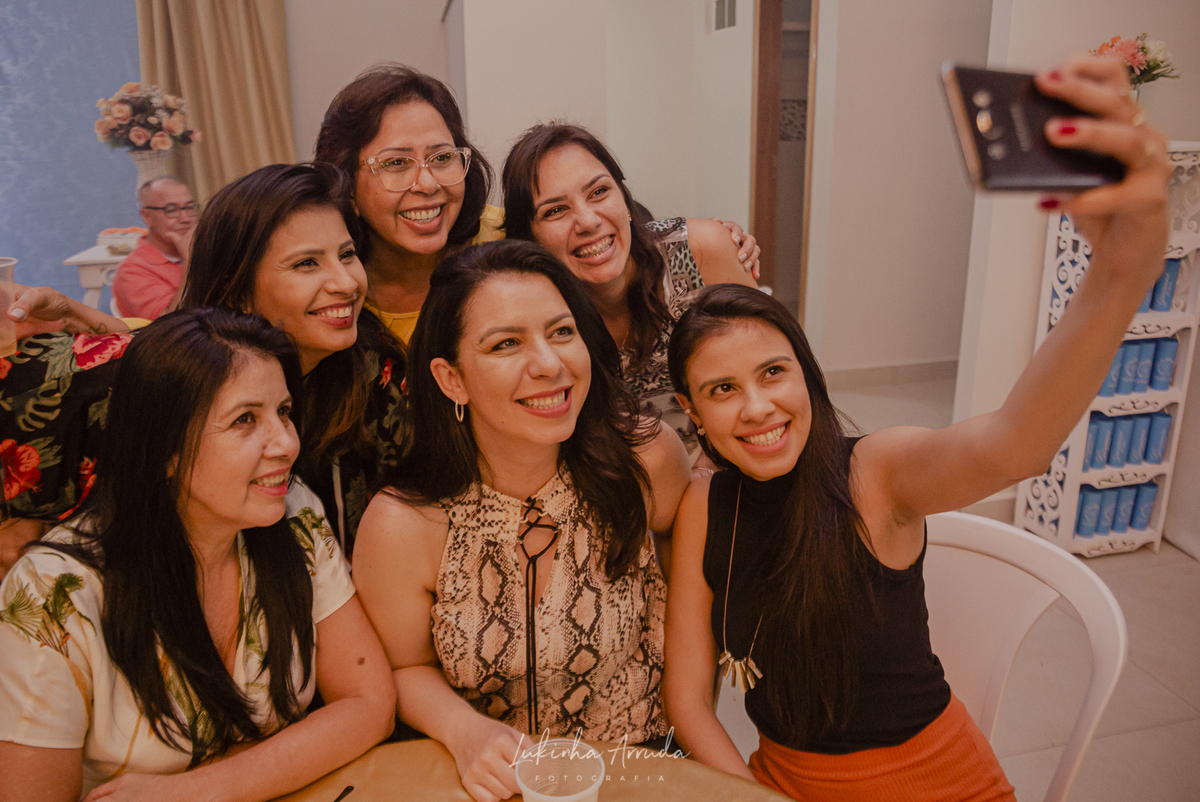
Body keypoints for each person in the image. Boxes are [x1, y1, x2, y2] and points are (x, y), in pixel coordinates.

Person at [660, 57, 1170, 802]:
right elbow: (687, 701)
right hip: (779, 785)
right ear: (693, 411)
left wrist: (1120, 273)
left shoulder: (877, 472)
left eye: (774, 372)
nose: (758, 407)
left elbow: (1016, 446)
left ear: (806, 373)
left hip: (932, 782)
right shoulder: (706, 506)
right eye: (723, 390)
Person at [0, 308, 395, 801]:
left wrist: (196, 792)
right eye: (245, 419)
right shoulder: (53, 593)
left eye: (284, 411)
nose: (287, 443)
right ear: (164, 448)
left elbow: (370, 701)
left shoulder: (294, 515)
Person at [352, 240, 691, 802]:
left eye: (562, 332)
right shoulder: (402, 524)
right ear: (452, 379)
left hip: (638, 768)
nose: (549, 364)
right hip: (485, 779)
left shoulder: (647, 461)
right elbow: (404, 667)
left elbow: (694, 611)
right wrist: (466, 732)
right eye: (506, 344)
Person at [0, 163, 405, 564]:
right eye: (306, 263)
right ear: (236, 287)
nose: (346, 283)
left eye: (347, 255)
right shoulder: (135, 378)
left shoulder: (373, 368)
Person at [315, 64, 759, 345]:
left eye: (442, 157)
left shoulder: (503, 240)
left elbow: (600, 232)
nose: (427, 183)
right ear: (347, 185)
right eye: (395, 163)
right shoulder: (333, 290)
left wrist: (717, 243)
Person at [502, 123, 757, 460]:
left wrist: (708, 478)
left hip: (733, 461)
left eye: (598, 192)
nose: (588, 221)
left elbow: (774, 371)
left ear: (624, 197)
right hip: (623, 478)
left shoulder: (699, 250)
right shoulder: (535, 310)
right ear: (529, 237)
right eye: (556, 211)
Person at [112, 177, 197, 319]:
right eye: (171, 210)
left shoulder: (203, 251)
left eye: (189, 208)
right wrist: (188, 260)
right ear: (147, 217)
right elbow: (169, 324)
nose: (185, 218)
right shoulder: (132, 271)